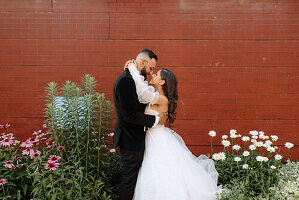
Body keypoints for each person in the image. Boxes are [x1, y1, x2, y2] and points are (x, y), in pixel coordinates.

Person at [124, 60, 224, 200]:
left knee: (160, 171)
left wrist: (132, 69)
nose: (153, 74)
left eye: (157, 74)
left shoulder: (162, 100)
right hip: (151, 137)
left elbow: (141, 92)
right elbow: (143, 90)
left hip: (157, 139)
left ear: (162, 82)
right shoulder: (155, 95)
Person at [112, 49, 167, 200]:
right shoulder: (126, 81)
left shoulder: (135, 79)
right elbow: (129, 115)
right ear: (142, 63)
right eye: (151, 68)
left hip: (134, 138)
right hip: (130, 139)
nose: (151, 73)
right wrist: (156, 120)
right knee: (129, 181)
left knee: (133, 179)